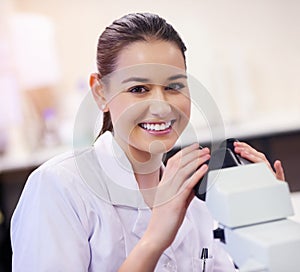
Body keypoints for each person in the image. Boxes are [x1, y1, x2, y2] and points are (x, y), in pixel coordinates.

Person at [10, 13, 285, 272]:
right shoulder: (57, 188)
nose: (162, 107)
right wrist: (155, 238)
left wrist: (264, 217)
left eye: (174, 87)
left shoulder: (199, 194)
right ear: (100, 92)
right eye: (138, 89)